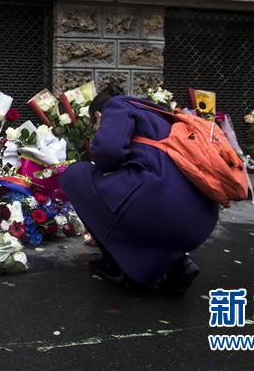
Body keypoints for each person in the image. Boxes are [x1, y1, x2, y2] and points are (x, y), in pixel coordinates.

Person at [59, 85, 219, 292]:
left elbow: (107, 154)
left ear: (98, 115)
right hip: (202, 218)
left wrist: (100, 138)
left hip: (163, 211)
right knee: (145, 191)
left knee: (75, 175)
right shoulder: (158, 114)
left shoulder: (116, 106)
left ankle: (117, 264)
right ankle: (177, 264)